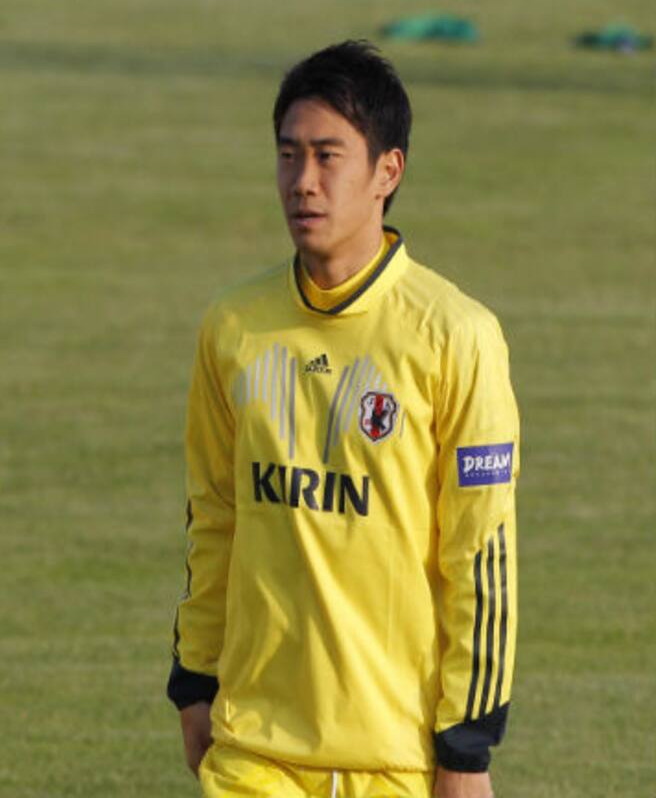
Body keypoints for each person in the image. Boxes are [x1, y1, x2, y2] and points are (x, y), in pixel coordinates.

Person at [167, 41, 518, 798]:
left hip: (399, 757)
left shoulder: (456, 335)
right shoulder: (234, 327)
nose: (304, 182)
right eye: (288, 156)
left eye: (329, 157)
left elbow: (480, 557)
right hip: (254, 747)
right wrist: (195, 676)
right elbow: (215, 517)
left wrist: (467, 746)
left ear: (388, 171)